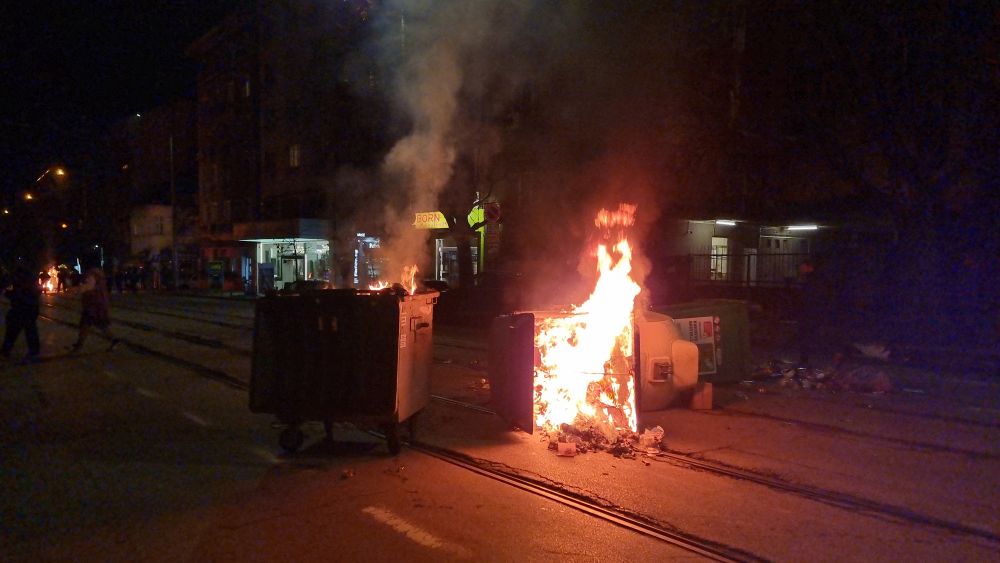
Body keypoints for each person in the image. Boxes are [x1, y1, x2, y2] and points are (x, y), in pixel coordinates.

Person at [69, 268, 120, 352]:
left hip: (94, 308)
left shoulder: (94, 281)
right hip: (94, 307)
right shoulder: (100, 283)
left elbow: (86, 288)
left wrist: (75, 289)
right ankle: (79, 344)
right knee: (88, 326)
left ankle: (113, 340)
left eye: (89, 276)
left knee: (93, 326)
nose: (87, 277)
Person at [1, 266, 41, 359]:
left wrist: (9, 293)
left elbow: (14, 294)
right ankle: (34, 350)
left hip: (21, 309)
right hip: (29, 309)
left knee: (13, 330)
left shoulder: (20, 283)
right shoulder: (31, 282)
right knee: (30, 330)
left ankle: (6, 350)